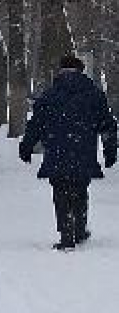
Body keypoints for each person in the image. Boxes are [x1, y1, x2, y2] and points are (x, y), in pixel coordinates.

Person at [19, 55, 118, 250]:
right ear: (81, 71)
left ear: (60, 71)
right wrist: (110, 151)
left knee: (60, 191)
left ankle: (66, 235)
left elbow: (35, 124)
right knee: (80, 189)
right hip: (83, 151)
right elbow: (107, 125)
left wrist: (27, 146)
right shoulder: (94, 95)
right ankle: (79, 229)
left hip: (57, 151)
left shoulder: (50, 94)